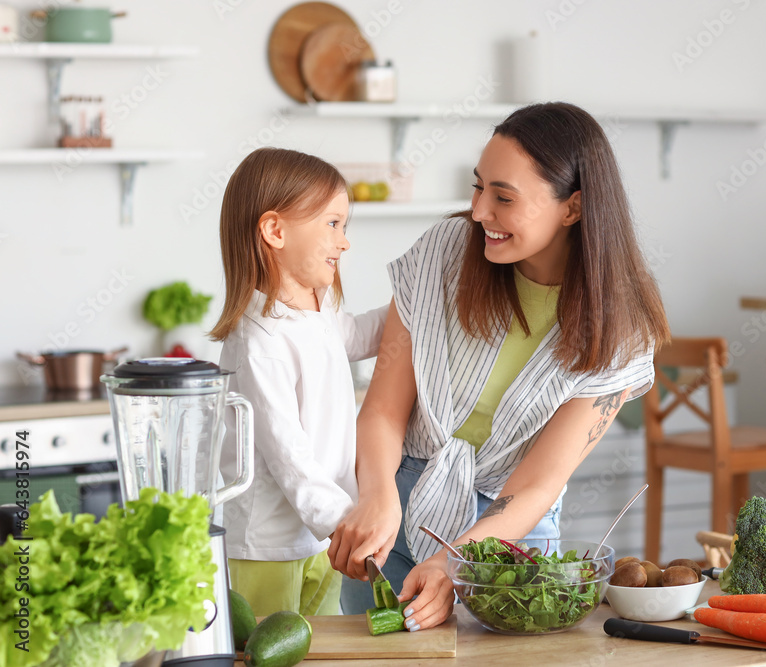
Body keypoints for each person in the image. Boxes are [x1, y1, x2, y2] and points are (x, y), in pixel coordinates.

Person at [330, 102, 670, 629]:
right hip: (395, 502)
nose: (479, 211)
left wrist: (454, 560)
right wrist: (375, 498)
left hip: (510, 536)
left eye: (503, 197)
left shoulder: (621, 331)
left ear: (573, 208)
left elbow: (537, 484)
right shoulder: (443, 253)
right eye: (478, 187)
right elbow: (382, 412)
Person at [210, 147, 387, 616]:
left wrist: (414, 305)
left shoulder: (320, 308)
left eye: (344, 226)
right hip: (267, 547)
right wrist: (344, 525)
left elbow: (356, 336)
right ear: (274, 230)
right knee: (261, 653)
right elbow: (288, 455)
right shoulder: (258, 343)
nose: (344, 242)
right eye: (332, 224)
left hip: (318, 539)